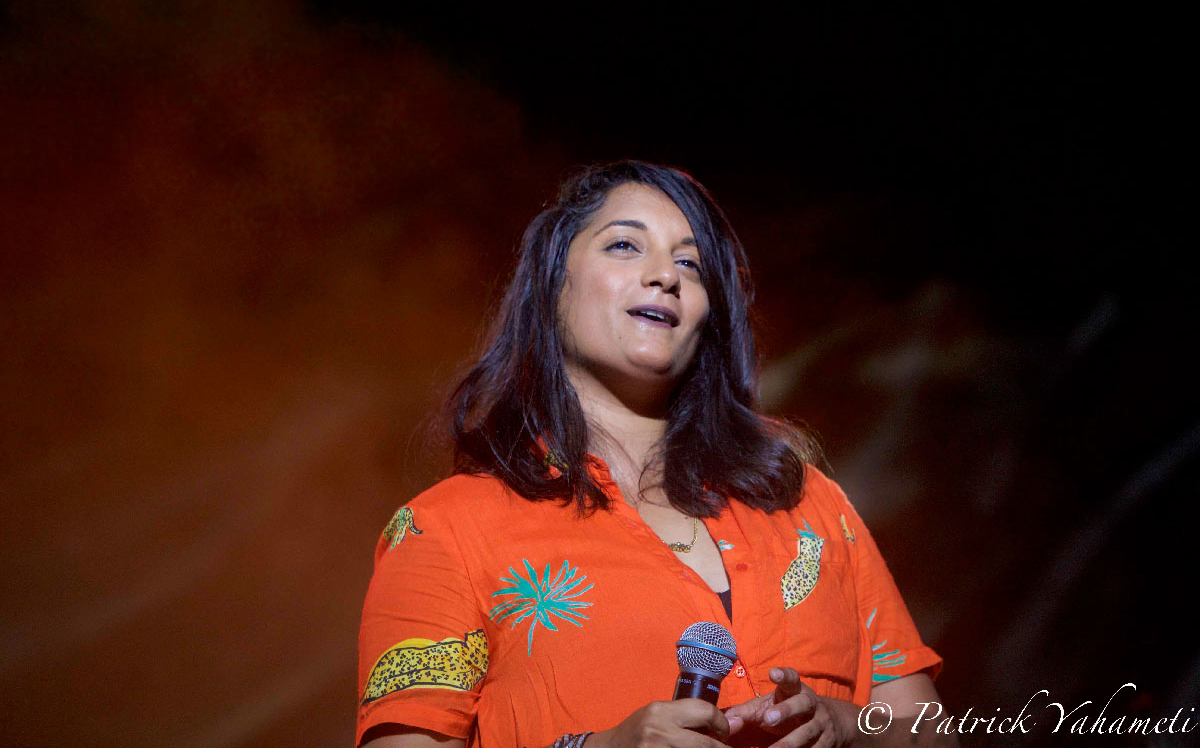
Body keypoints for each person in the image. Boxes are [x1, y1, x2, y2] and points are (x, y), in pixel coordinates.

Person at [357, 160, 954, 748]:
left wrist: (849, 726)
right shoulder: (447, 531)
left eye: (689, 264)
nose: (665, 275)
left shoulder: (808, 505)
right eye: (624, 246)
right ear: (552, 286)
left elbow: (930, 731)